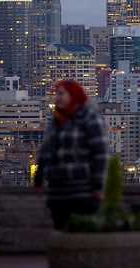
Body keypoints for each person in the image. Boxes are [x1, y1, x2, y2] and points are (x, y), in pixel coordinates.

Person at [35, 80, 107, 230]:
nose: (57, 98)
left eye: (61, 94)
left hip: (81, 191)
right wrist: (39, 177)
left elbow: (99, 154)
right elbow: (45, 151)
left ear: (73, 95)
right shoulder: (55, 120)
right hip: (57, 191)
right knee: (61, 234)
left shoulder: (89, 118)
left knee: (82, 235)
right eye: (56, 94)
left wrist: (97, 186)